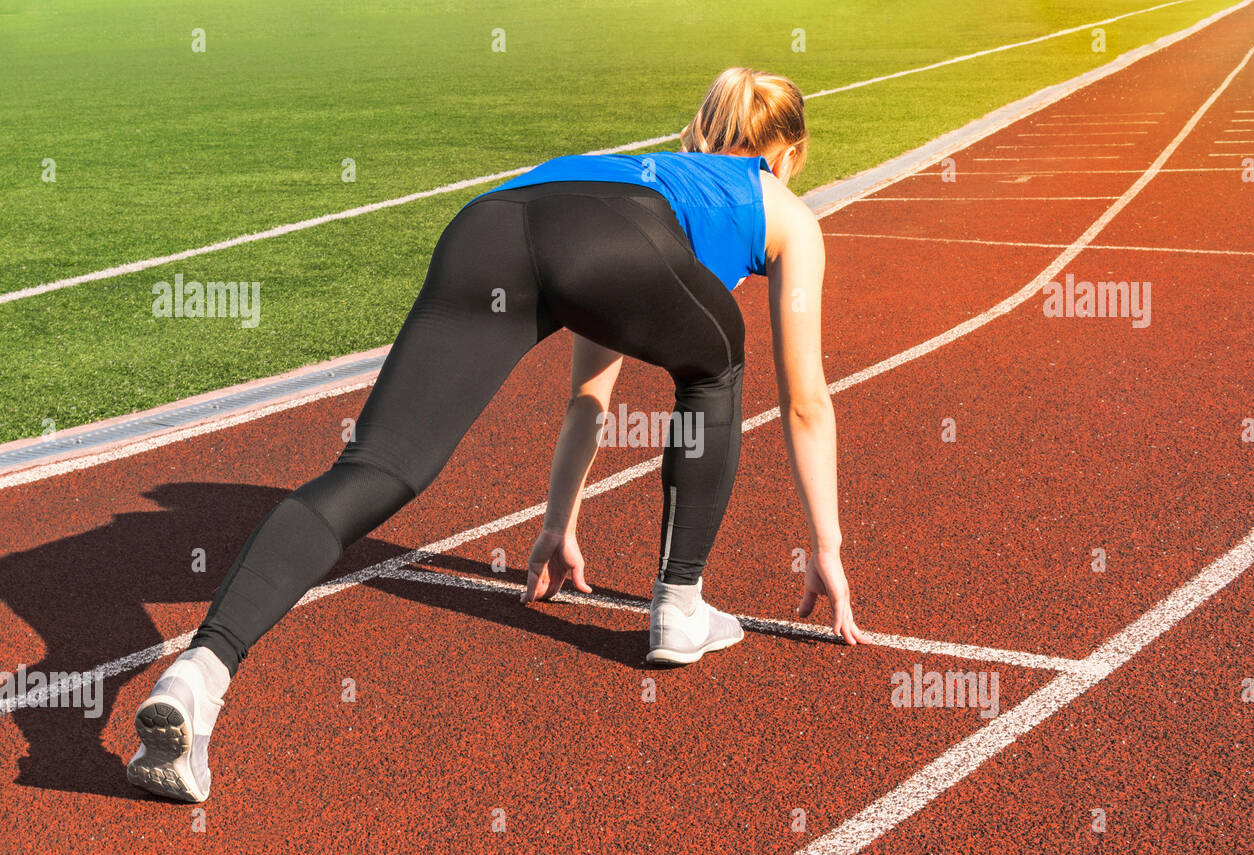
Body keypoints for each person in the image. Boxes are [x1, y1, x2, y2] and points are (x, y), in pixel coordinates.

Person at [126, 67, 865, 803]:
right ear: (791, 156)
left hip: (491, 223)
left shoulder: (640, 176)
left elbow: (589, 393)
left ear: (700, 133)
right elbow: (805, 403)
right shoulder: (783, 209)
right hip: (607, 241)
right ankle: (679, 604)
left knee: (378, 464)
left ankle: (201, 672)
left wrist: (557, 522)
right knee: (718, 362)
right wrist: (826, 548)